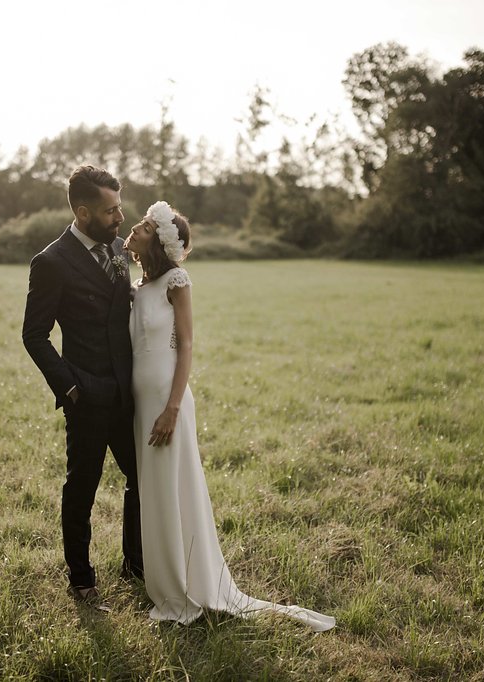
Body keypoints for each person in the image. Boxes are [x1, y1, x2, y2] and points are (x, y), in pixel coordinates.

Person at [123, 201, 336, 631]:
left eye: (145, 226)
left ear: (161, 242)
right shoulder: (136, 285)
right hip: (140, 403)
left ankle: (188, 587)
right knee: (154, 493)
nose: (134, 227)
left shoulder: (175, 281)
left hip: (167, 400)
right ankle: (164, 583)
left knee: (174, 488)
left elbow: (186, 345)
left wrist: (172, 408)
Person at [22, 165, 143, 609]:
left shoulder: (116, 247)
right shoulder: (51, 262)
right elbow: (33, 335)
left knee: (142, 478)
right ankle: (82, 579)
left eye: (120, 206)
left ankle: (136, 563)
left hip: (129, 392)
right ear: (83, 211)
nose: (120, 217)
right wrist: (71, 388)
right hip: (87, 395)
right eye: (111, 210)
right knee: (83, 487)